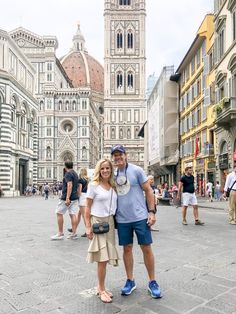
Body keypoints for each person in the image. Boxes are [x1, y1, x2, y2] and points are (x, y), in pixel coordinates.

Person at [111, 144, 161, 299]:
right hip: (122, 219)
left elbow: (149, 191)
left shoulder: (137, 170)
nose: (118, 158)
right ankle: (130, 280)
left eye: (120, 155)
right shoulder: (112, 174)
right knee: (127, 249)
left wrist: (151, 212)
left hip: (140, 217)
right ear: (113, 158)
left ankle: (152, 281)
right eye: (115, 155)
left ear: (126, 155)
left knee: (146, 248)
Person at [85, 159, 119, 303]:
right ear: (99, 170)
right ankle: (101, 289)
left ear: (111, 170)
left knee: (105, 257)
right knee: (102, 259)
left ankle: (102, 286)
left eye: (108, 168)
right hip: (98, 222)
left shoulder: (112, 185)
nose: (105, 171)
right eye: (103, 168)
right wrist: (87, 226)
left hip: (109, 222)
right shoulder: (93, 185)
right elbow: (87, 208)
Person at [51, 161, 79, 240]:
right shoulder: (75, 174)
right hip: (74, 197)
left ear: (65, 166)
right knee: (73, 214)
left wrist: (67, 198)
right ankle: (74, 233)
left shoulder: (68, 174)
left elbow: (69, 185)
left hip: (67, 198)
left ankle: (60, 233)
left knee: (59, 213)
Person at [68, 168, 89, 237]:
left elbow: (79, 190)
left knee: (84, 216)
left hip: (82, 197)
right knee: (79, 214)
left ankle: (87, 231)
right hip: (87, 196)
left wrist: (78, 197)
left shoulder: (81, 180)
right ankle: (74, 228)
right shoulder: (88, 180)